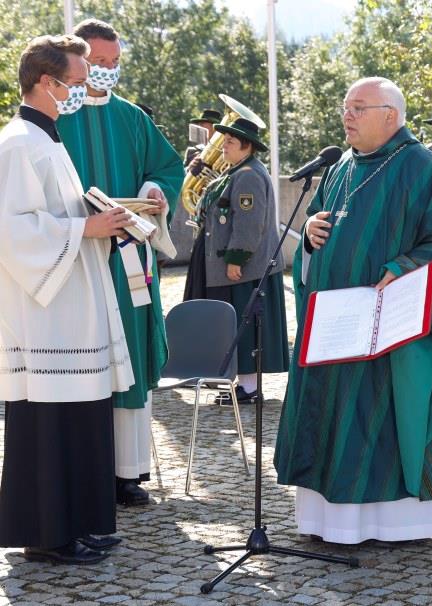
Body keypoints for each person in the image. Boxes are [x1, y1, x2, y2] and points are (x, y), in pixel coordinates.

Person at [274, 77, 432, 543]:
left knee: (374, 418)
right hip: (332, 323)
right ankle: (325, 518)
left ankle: (393, 524)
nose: (347, 115)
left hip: (389, 332)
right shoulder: (339, 167)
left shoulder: (423, 169)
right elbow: (323, 223)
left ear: (391, 115)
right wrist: (308, 231)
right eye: (345, 107)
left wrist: (406, 264)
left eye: (358, 108)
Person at [0, 34, 135, 565]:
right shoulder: (17, 145)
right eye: (75, 84)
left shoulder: (49, 141)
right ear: (44, 81)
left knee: (81, 417)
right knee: (50, 423)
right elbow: (12, 231)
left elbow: (58, 213)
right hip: (44, 317)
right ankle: (48, 537)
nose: (80, 92)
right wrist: (85, 228)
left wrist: (102, 217)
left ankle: (80, 522)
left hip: (69, 309)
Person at [56, 18, 184, 507]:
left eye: (114, 64)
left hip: (128, 255)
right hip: (76, 257)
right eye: (99, 63)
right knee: (80, 353)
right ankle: (82, 470)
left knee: (127, 354)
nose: (107, 72)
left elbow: (166, 168)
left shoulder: (132, 118)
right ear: (76, 60)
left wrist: (154, 192)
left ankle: (126, 472)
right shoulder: (55, 118)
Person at [183, 116, 290, 403]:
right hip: (234, 267)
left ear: (246, 146)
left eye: (230, 142)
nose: (224, 147)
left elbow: (249, 223)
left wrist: (236, 259)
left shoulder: (248, 176)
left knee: (245, 328)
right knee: (236, 325)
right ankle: (242, 385)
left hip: (246, 269)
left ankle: (250, 388)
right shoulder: (237, 171)